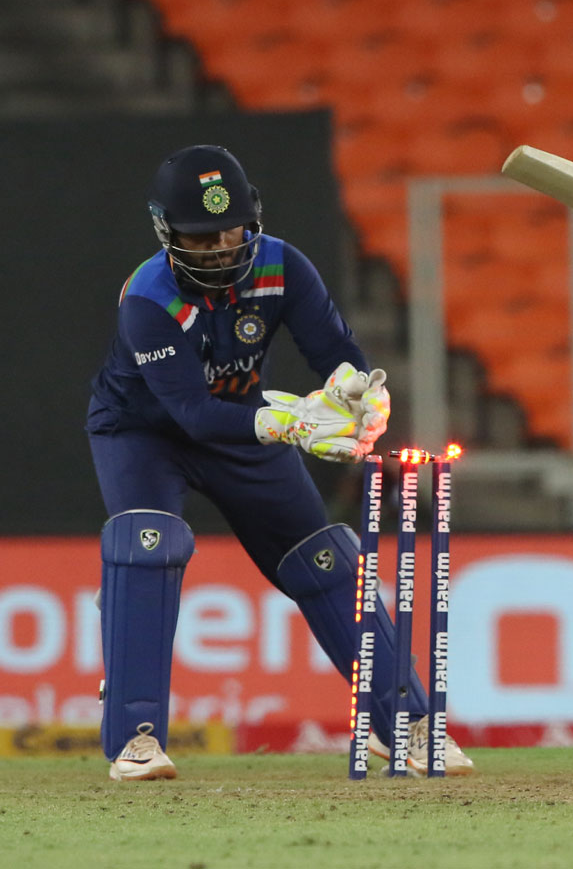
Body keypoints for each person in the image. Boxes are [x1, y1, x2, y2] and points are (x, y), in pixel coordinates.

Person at [86, 144, 473, 780]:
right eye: (201, 236)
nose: (218, 247)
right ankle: (136, 738)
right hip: (143, 433)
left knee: (325, 560)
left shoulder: (283, 265)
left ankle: (401, 724)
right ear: (168, 232)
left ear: (252, 218)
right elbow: (189, 412)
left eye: (230, 229)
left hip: (242, 429)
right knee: (146, 546)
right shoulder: (147, 299)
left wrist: (361, 395)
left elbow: (337, 352)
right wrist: (287, 421)